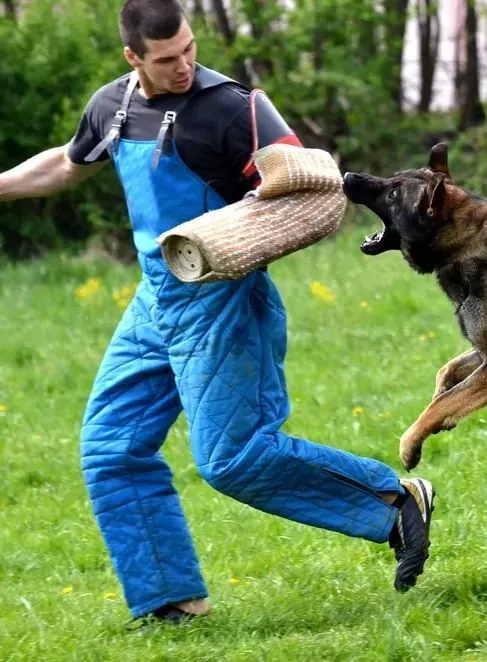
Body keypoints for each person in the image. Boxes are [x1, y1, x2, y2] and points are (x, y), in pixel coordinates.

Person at [0, 0, 435, 625]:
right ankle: (171, 602)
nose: (184, 66)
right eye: (166, 59)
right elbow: (68, 163)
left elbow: (306, 176)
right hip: (155, 300)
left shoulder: (235, 107)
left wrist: (277, 175)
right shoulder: (112, 107)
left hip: (224, 299)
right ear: (133, 58)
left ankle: (394, 502)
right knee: (110, 449)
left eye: (189, 50)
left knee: (231, 458)